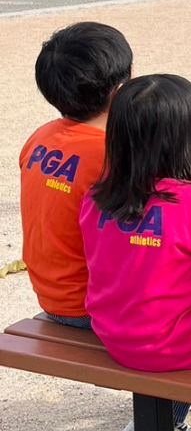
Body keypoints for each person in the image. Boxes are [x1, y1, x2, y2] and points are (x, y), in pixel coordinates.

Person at [80, 74, 191, 431]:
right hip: (173, 345)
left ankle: (169, 410)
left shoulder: (94, 197)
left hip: (112, 333)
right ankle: (172, 416)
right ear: (188, 139)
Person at [19, 22, 132, 328]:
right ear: (122, 89)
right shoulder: (114, 156)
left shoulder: (39, 138)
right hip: (92, 308)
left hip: (51, 298)